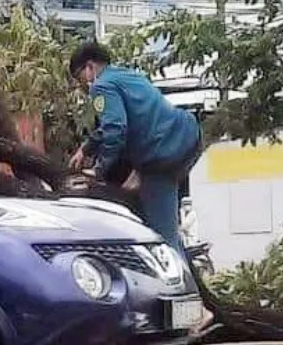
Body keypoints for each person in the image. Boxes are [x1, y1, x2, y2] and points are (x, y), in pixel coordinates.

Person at [68, 41, 204, 254]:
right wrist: (86, 148)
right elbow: (122, 123)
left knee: (163, 239)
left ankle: (177, 282)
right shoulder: (126, 75)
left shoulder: (101, 87)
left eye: (79, 78)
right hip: (186, 135)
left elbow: (115, 129)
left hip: (162, 153)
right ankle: (139, 177)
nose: (81, 86)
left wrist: (98, 169)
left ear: (90, 67)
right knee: (157, 216)